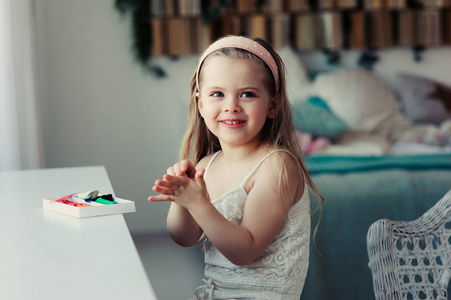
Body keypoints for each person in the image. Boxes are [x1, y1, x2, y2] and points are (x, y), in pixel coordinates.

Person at [148, 35, 323, 300]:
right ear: (200, 104)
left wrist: (199, 204)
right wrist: (181, 198)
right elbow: (183, 237)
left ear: (272, 105)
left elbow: (245, 251)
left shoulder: (277, 166)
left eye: (248, 94)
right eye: (217, 93)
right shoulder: (207, 165)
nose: (231, 106)